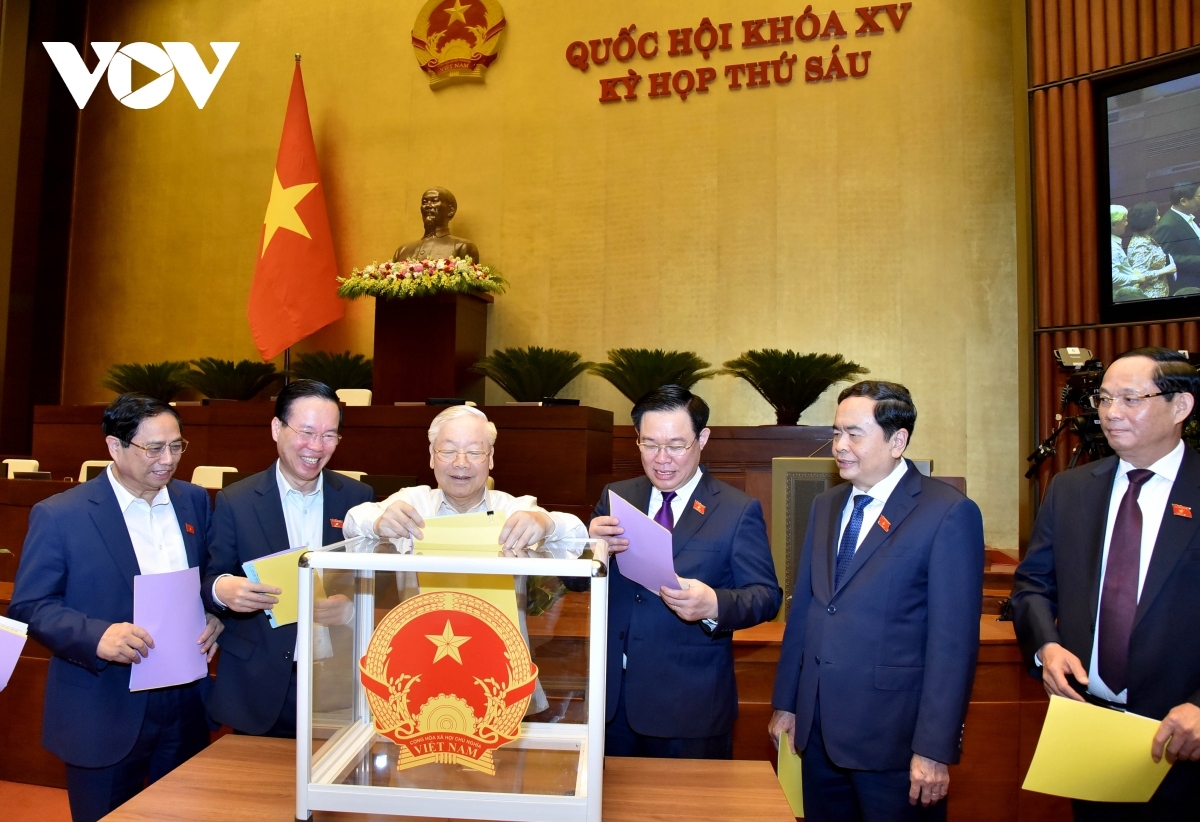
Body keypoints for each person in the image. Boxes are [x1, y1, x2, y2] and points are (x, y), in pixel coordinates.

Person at [769, 381, 984, 821]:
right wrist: (787, 702)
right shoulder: (826, 505)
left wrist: (934, 748)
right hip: (818, 734)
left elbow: (953, 645)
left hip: (895, 743)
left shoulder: (948, 512)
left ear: (897, 440)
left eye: (854, 433)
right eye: (835, 433)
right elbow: (808, 609)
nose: (840, 446)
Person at [9, 394, 221, 822]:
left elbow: (206, 578)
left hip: (185, 705)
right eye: (153, 448)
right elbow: (30, 605)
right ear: (114, 446)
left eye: (176, 446)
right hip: (103, 708)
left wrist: (214, 612)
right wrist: (95, 636)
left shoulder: (193, 501)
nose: (168, 459)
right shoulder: (61, 515)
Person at [1011, 347, 1200, 821]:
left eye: (1131, 398)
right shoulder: (1070, 489)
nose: (1111, 413)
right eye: (1104, 398)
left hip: (1184, 736)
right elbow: (1032, 585)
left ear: (1181, 407)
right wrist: (1046, 648)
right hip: (1090, 729)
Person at [341, 404, 588, 714]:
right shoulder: (413, 502)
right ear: (431, 456)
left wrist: (547, 523)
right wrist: (377, 522)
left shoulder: (515, 509)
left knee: (504, 762)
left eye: (474, 452)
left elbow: (578, 535)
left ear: (491, 459)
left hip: (500, 671)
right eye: (448, 451)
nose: (461, 463)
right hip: (422, 669)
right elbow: (354, 519)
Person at [586, 385, 781, 759]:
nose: (662, 459)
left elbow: (766, 595)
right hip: (614, 704)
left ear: (702, 439)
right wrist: (588, 547)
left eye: (676, 445)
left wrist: (714, 605)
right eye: (650, 444)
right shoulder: (616, 495)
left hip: (690, 709)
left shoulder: (737, 510)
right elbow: (574, 581)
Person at [202, 380, 374, 737]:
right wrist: (223, 591)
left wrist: (352, 609)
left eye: (330, 435)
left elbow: (376, 582)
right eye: (306, 432)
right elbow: (210, 578)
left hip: (336, 685)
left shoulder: (358, 499)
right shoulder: (236, 501)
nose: (316, 447)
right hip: (259, 684)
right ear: (276, 428)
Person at [392, 187, 480, 263]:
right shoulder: (402, 251)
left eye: (434, 201)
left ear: (450, 210)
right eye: (424, 202)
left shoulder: (462, 247)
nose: (428, 206)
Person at [1153, 182, 1200, 294]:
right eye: (1199, 197)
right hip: (1188, 285)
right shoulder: (1167, 225)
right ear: (1183, 201)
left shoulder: (1188, 216)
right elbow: (1168, 258)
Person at [1125, 201, 1175, 298]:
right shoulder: (1140, 244)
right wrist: (1165, 270)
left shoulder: (1146, 237)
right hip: (1150, 296)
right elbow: (1140, 276)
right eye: (1157, 215)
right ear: (1148, 220)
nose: (1159, 217)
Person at [1110, 205, 1146, 302]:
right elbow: (1113, 277)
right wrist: (1136, 278)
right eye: (1124, 221)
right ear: (1113, 224)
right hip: (1122, 298)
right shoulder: (1113, 247)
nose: (1127, 223)